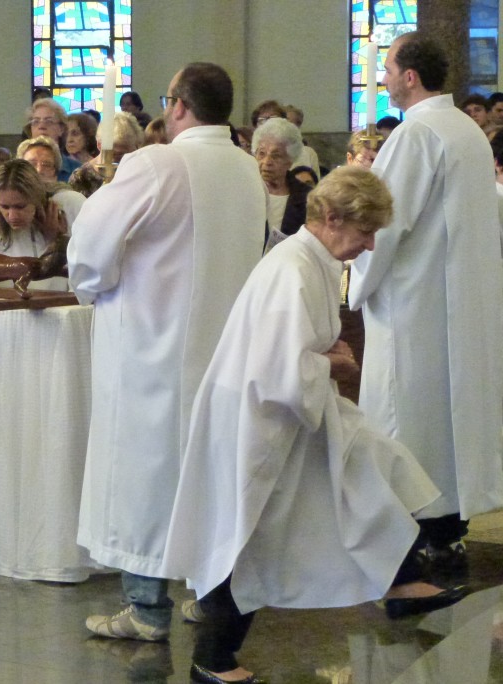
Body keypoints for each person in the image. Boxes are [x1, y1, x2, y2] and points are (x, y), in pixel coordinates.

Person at [162, 167, 465, 684]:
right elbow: (278, 369)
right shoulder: (294, 270)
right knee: (246, 535)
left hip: (287, 414)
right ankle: (212, 658)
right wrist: (334, 363)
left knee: (374, 467)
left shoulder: (313, 261)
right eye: (365, 231)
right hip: (258, 422)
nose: (370, 245)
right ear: (331, 218)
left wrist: (325, 358)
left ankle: (402, 579)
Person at [72, 62, 266, 645]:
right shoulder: (246, 167)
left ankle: (146, 608)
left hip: (151, 346)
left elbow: (90, 248)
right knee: (208, 476)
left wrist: (92, 284)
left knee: (145, 478)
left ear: (178, 105)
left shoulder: (157, 163)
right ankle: (209, 595)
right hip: (222, 345)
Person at [349, 32, 503, 575]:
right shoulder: (466, 129)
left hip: (414, 305)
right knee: (447, 418)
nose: (385, 78)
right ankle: (447, 528)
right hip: (457, 300)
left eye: (389, 69)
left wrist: (355, 279)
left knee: (410, 420)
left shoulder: (416, 134)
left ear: (410, 76)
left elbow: (385, 222)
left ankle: (414, 534)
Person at [0, 159, 69, 291]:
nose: (12, 216)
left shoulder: (66, 203)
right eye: (5, 207)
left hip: (58, 298)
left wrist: (57, 241)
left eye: (20, 206)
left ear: (37, 198)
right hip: (3, 298)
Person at [252, 117, 310, 246]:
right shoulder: (244, 191)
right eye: (261, 153)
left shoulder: (306, 197)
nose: (267, 162)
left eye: (276, 155)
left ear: (289, 161)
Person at [68, 111, 145, 197]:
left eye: (130, 154)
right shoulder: (81, 177)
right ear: (99, 145)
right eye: (118, 155)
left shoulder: (140, 173)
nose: (124, 160)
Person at [25, 98, 80, 181]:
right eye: (36, 122)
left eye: (48, 121)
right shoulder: (19, 167)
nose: (41, 126)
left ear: (61, 129)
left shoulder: (77, 171)